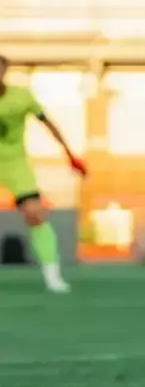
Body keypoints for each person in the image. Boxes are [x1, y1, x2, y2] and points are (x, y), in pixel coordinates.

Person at [0, 55, 85, 293]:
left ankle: (52, 274)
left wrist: (70, 156)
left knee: (35, 213)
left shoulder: (22, 97)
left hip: (13, 163)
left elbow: (48, 123)